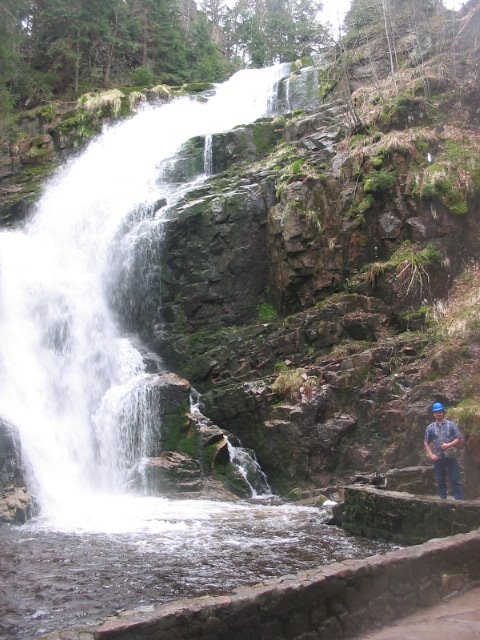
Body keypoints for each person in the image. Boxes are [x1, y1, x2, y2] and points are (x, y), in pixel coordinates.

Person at [424, 402, 464, 500]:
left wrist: (448, 445)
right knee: (441, 481)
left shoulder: (451, 425)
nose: (439, 414)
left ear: (443, 413)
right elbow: (426, 442)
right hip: (437, 458)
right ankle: (443, 503)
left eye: (440, 412)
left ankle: (459, 503)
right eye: (437, 412)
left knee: (455, 480)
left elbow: (459, 438)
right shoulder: (430, 428)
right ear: (434, 414)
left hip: (451, 456)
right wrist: (431, 455)